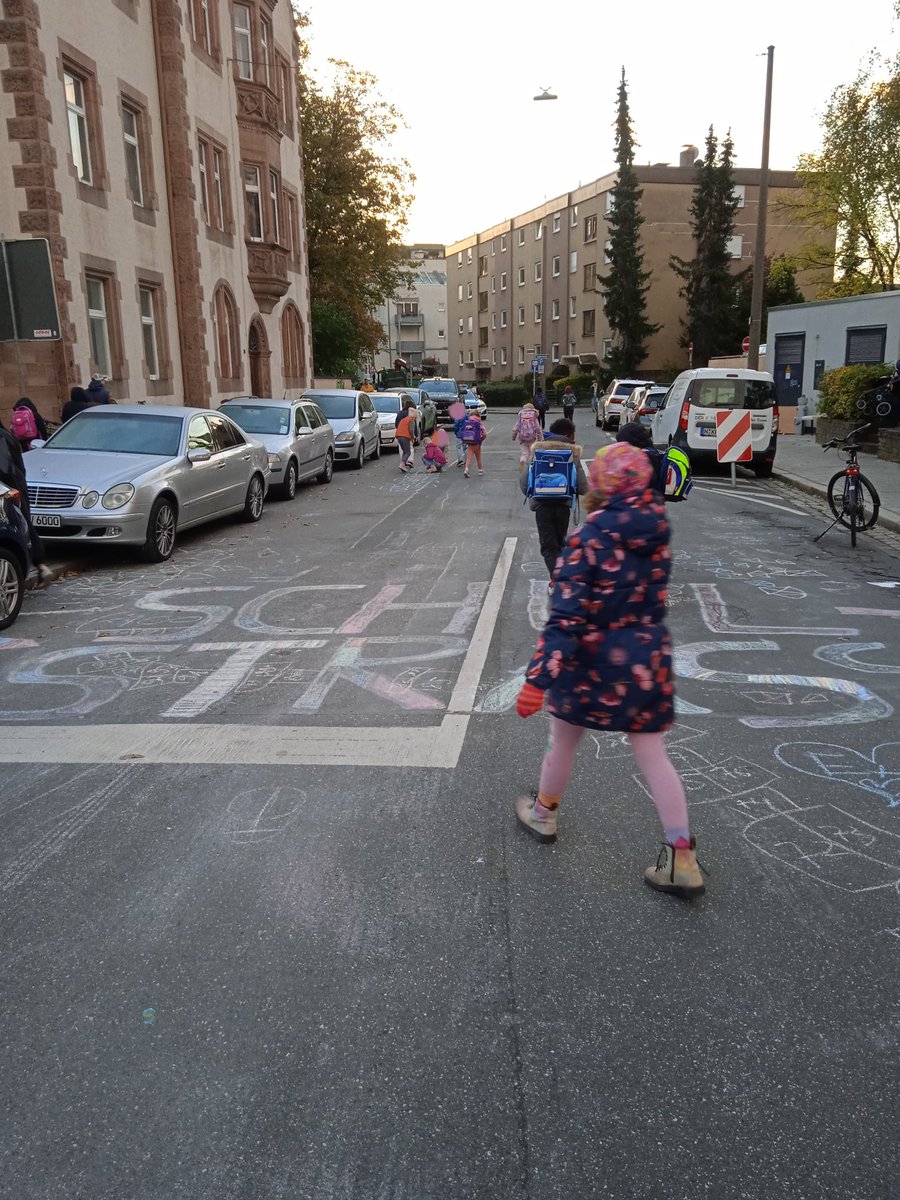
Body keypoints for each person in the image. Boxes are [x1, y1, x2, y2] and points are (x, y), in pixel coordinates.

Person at [513, 441, 704, 899]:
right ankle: (680, 857)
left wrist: (539, 678)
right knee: (654, 755)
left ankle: (544, 813)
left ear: (598, 483)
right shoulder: (656, 530)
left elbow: (566, 619)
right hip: (645, 658)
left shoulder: (587, 540)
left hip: (590, 663)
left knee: (563, 739)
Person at [519, 418, 587, 585]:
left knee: (548, 546)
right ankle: (561, 576)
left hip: (542, 506)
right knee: (560, 542)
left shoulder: (538, 452)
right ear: (570, 435)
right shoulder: (572, 455)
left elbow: (524, 482)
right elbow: (583, 487)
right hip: (563, 506)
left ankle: (556, 579)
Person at [0, 420, 52, 585]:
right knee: (23, 524)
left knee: (14, 527)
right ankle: (41, 565)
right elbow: (19, 465)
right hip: (18, 484)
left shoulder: (1, 437)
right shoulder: (7, 435)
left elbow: (4, 467)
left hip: (7, 487)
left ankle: (17, 572)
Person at [616, 421, 665, 493]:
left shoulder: (645, 456)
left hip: (644, 499)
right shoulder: (650, 451)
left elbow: (642, 474)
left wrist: (625, 473)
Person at [512, 400, 543, 467]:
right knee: (532, 452)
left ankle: (523, 460)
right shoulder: (534, 417)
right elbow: (538, 428)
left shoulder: (521, 416)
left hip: (522, 438)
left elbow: (516, 428)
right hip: (532, 438)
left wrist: (513, 437)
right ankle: (530, 465)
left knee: (524, 453)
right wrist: (540, 438)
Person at [460, 410, 487, 478]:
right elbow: (484, 433)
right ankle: (480, 470)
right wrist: (482, 439)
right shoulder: (478, 422)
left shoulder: (468, 422)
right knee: (478, 456)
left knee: (469, 457)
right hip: (477, 441)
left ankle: (466, 469)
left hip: (469, 441)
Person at [395, 400, 417, 472]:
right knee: (408, 451)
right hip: (405, 436)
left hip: (398, 435)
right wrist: (413, 436)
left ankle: (404, 462)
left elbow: (397, 424)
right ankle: (404, 463)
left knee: (403, 450)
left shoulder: (401, 415)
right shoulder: (410, 419)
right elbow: (411, 429)